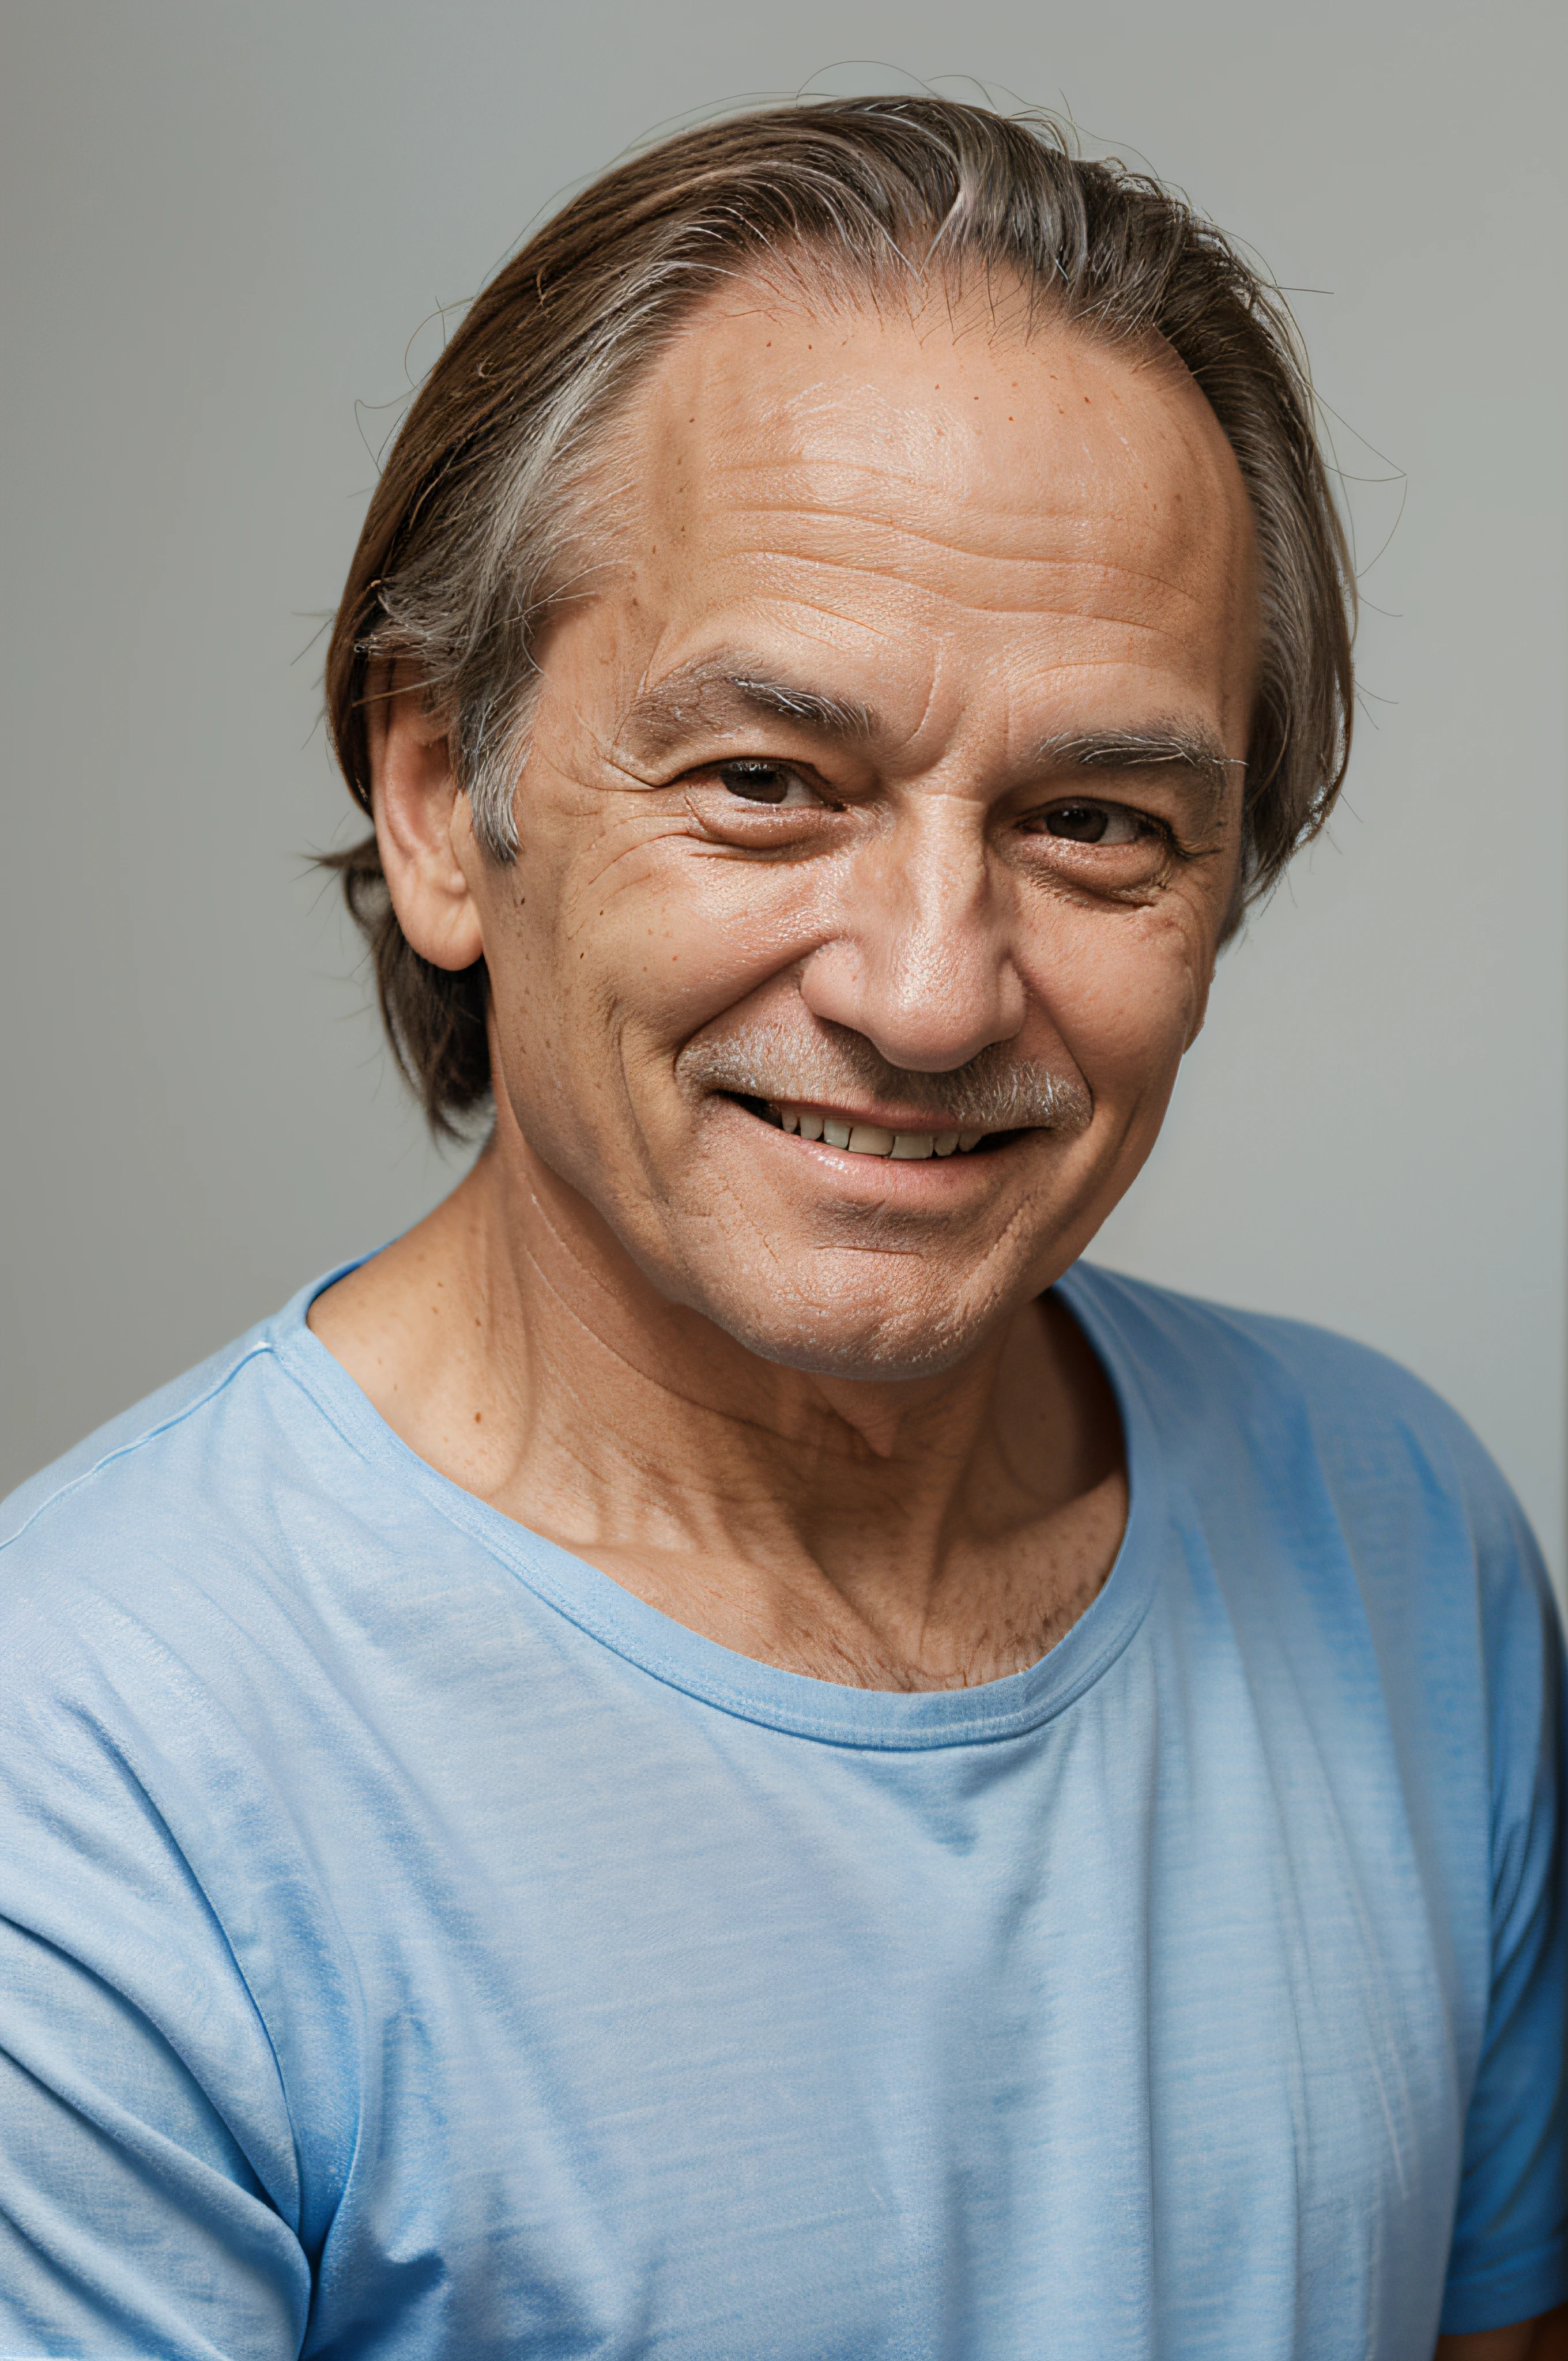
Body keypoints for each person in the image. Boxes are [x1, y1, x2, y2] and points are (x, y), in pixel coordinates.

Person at [0, 96, 1561, 2361]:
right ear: (443, 795)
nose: (925, 990)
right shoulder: (88, 1780)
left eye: (1093, 820)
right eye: (765, 782)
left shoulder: (1397, 1540)